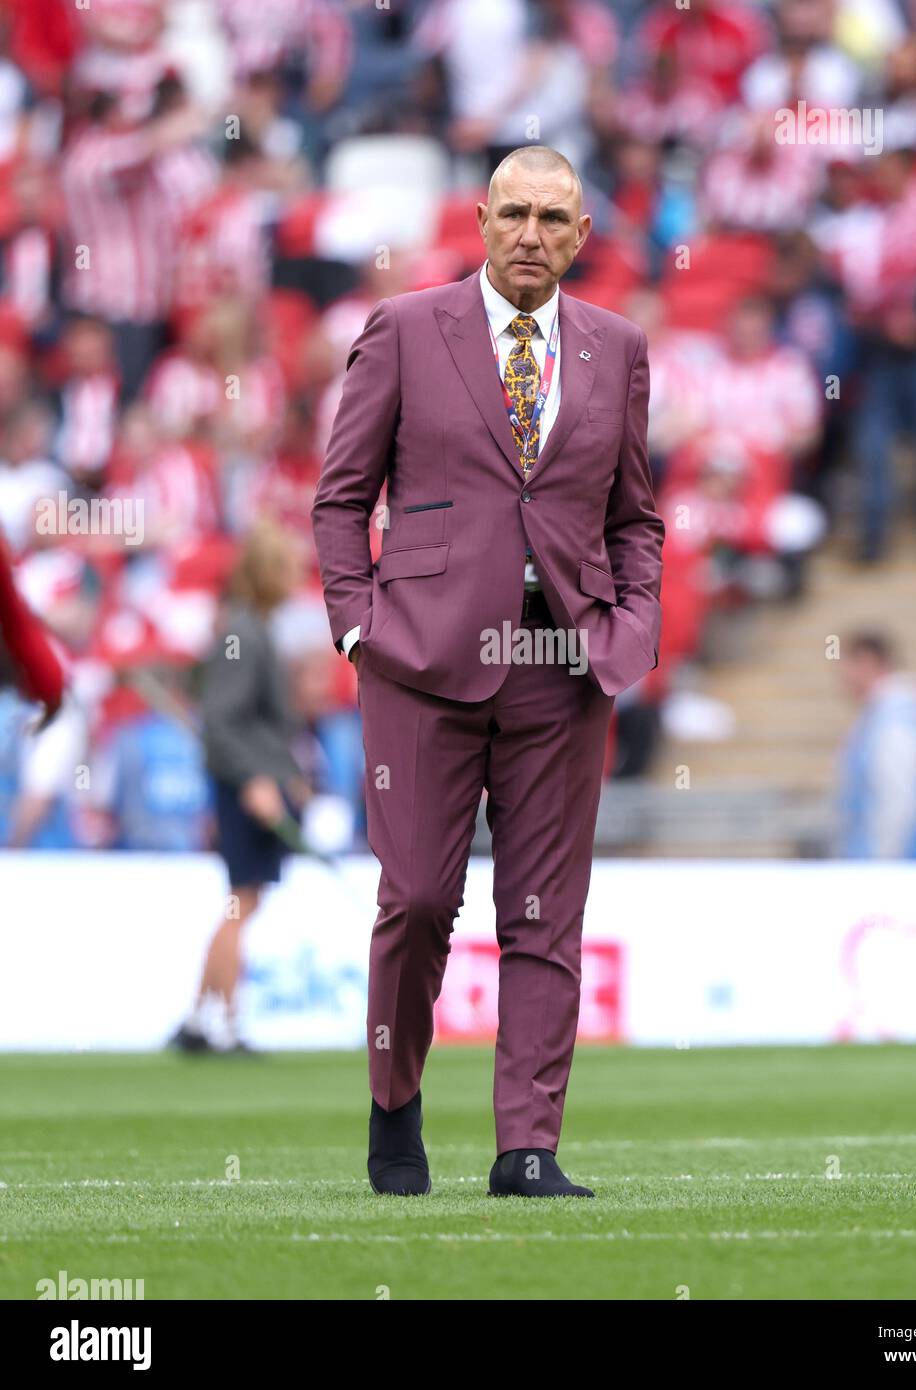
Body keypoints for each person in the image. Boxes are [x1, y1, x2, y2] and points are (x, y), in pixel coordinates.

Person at [313, 145, 663, 1198]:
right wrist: (355, 628)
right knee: (417, 898)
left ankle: (526, 1148)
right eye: (513, 213)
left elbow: (634, 513)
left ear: (581, 236)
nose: (530, 235)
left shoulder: (617, 347)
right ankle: (392, 1099)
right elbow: (339, 499)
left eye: (553, 219)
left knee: (546, 913)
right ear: (478, 219)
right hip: (417, 657)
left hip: (562, 659)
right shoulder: (406, 329)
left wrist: (632, 623)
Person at [169, 520, 308, 1054]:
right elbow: (222, 720)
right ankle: (225, 1022)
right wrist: (256, 777)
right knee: (241, 904)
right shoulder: (243, 632)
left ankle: (200, 1019)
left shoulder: (251, 628)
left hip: (259, 781)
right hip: (247, 785)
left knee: (241, 903)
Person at [836, 630, 916, 859]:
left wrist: (885, 864)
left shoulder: (896, 718)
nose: (841, 676)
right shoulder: (879, 715)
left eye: (846, 665)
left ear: (867, 662)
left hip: (902, 863)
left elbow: (900, 798)